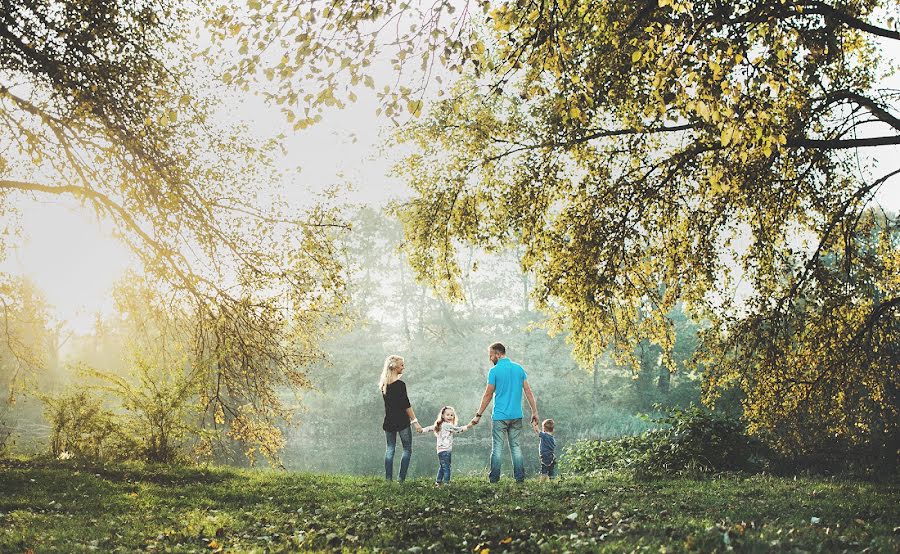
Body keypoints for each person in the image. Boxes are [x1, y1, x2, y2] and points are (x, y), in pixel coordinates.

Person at [469, 342, 538, 483]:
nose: (490, 358)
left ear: (498, 354)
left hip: (500, 417)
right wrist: (534, 412)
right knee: (516, 448)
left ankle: (494, 480)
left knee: (497, 449)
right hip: (516, 416)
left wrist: (478, 415)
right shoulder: (519, 369)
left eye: (491, 355)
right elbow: (528, 391)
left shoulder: (494, 371)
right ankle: (520, 480)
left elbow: (488, 394)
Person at [379, 355, 422, 482]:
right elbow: (406, 405)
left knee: (390, 449)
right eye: (402, 365)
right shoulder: (400, 385)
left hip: (389, 422)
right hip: (402, 422)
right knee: (407, 449)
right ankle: (401, 480)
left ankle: (388, 480)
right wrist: (415, 422)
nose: (404, 367)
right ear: (395, 367)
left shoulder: (383, 385)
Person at [418, 406, 472, 486]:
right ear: (443, 415)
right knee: (447, 467)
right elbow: (457, 430)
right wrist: (468, 426)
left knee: (442, 466)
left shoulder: (440, 425)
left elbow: (430, 428)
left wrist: (422, 430)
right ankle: (446, 483)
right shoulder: (447, 425)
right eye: (448, 415)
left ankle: (438, 481)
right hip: (445, 450)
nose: (450, 416)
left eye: (451, 415)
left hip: (440, 450)